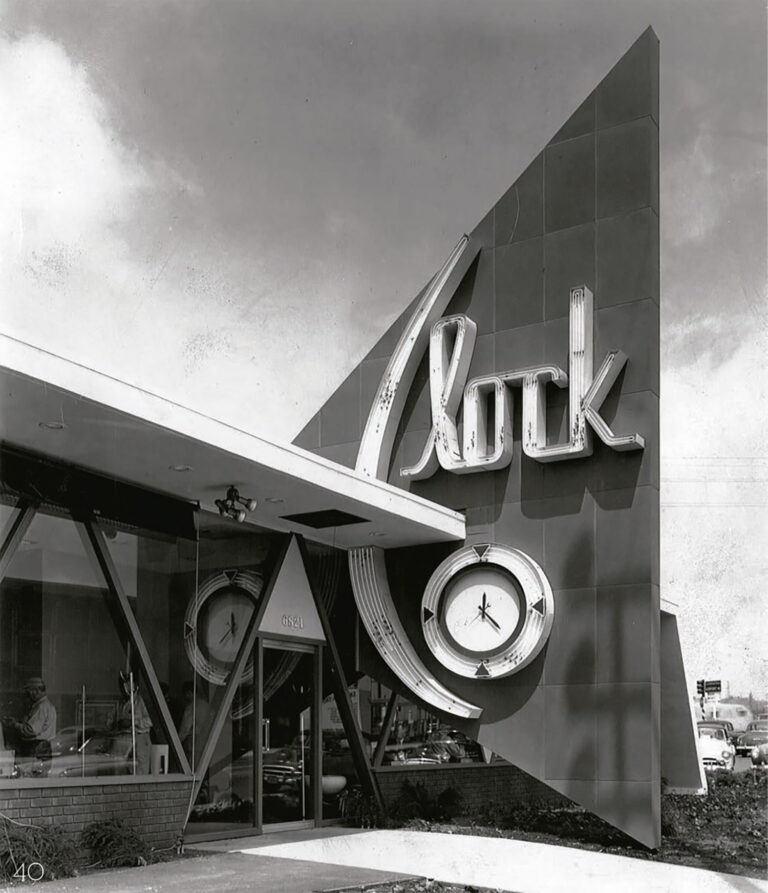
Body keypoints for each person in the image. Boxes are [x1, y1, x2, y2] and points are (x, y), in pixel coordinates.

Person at [2, 677, 57, 773]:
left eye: (29, 692)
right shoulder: (48, 706)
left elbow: (31, 730)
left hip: (37, 748)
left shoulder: (41, 707)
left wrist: (15, 725)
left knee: (31, 775)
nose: (28, 695)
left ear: (35, 691)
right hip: (44, 747)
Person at [110, 672, 152, 774]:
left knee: (140, 771)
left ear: (135, 684)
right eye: (123, 684)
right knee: (119, 769)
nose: (125, 687)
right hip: (124, 738)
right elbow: (111, 719)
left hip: (140, 737)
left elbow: (150, 721)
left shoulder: (141, 701)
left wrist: (132, 722)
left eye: (128, 683)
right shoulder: (123, 703)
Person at [178, 681, 209, 768]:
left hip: (194, 741)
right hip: (207, 740)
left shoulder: (191, 707)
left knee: (193, 767)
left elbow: (185, 728)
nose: (184, 697)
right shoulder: (206, 705)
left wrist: (178, 741)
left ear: (189, 693)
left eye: (185, 694)